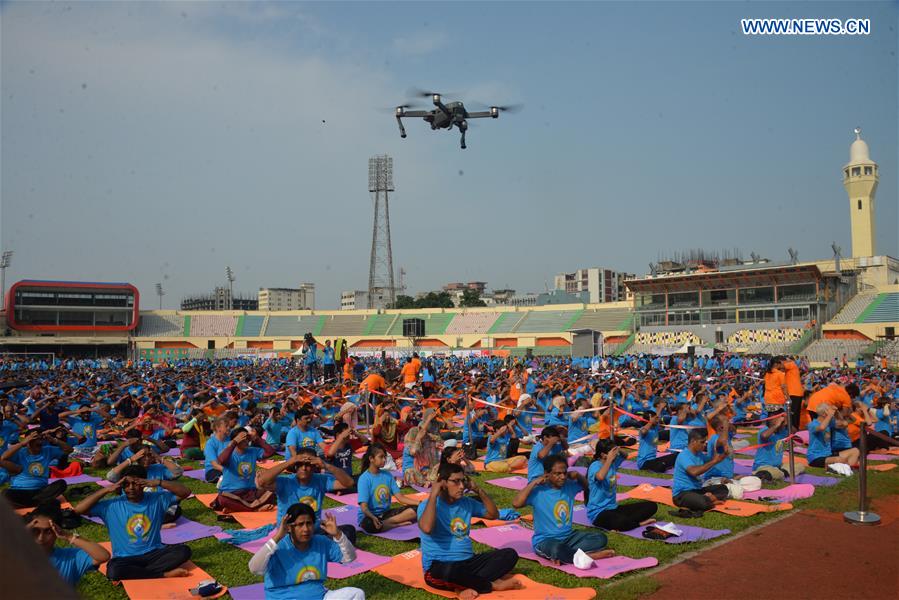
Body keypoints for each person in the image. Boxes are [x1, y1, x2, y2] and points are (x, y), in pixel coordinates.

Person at [418, 463, 521, 598]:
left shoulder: (466, 503)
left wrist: (478, 490)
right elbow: (427, 528)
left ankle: (463, 584)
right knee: (449, 572)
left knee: (509, 555)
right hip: (440, 565)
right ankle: (491, 585)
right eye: (456, 481)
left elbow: (493, 515)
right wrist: (433, 495)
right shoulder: (427, 505)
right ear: (442, 483)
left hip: (468, 562)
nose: (461, 486)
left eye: (463, 481)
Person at [73, 465, 192, 580]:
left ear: (144, 483)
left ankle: (138, 572)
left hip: (154, 553)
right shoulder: (110, 505)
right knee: (114, 571)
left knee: (183, 551)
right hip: (125, 558)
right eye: (126, 484)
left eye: (135, 483)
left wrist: (159, 482)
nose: (131, 488)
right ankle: (162, 574)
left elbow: (185, 492)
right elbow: (79, 509)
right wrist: (106, 490)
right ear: (121, 485)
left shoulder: (157, 499)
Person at [248, 502, 363, 600]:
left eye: (309, 523)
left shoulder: (321, 542)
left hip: (319, 596)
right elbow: (254, 568)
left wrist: (338, 534)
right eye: (300, 524)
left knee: (356, 594)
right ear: (289, 527)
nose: (306, 529)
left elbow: (349, 558)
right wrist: (277, 537)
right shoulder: (278, 546)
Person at [513, 454, 613, 566]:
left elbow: (587, 486)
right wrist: (533, 482)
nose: (563, 477)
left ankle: (567, 554)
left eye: (564, 473)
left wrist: (578, 476)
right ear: (547, 473)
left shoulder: (568, 486)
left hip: (569, 537)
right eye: (557, 474)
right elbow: (516, 503)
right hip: (546, 541)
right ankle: (587, 556)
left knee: (600, 538)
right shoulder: (538, 491)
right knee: (556, 549)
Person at [257, 447, 357, 544]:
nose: (304, 468)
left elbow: (349, 483)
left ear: (314, 467)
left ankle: (314, 544)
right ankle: (315, 544)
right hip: (291, 532)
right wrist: (289, 462)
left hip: (314, 530)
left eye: (308, 464)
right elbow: (262, 481)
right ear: (295, 466)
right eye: (300, 464)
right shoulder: (286, 481)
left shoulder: (321, 480)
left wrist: (326, 465)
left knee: (349, 531)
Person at [24, 500, 110, 587]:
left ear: (57, 532)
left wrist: (68, 536)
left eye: (48, 532)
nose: (41, 538)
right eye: (35, 531)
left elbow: (103, 556)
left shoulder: (70, 557)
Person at [587, 439, 657, 531]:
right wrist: (609, 460)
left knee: (651, 506)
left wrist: (617, 449)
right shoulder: (595, 466)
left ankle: (624, 523)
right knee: (620, 521)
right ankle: (638, 523)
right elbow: (600, 477)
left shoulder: (612, 464)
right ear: (603, 455)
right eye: (613, 453)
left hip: (614, 508)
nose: (615, 455)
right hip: (598, 513)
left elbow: (625, 455)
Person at [1, 428, 72, 508]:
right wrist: (22, 443)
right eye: (35, 439)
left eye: (40, 439)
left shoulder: (48, 450)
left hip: (40, 490)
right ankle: (38, 502)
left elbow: (69, 450)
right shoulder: (20, 451)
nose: (39, 442)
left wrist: (54, 440)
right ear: (28, 441)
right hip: (19, 490)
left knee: (61, 484)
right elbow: (3, 458)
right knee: (6, 493)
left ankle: (30, 503)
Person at [357, 444, 420, 533]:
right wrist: (373, 517)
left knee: (417, 509)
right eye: (381, 457)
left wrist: (420, 503)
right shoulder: (364, 479)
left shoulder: (387, 475)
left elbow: (400, 497)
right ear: (371, 459)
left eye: (385, 457)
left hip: (385, 514)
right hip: (368, 517)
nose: (384, 460)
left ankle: (386, 523)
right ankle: (394, 524)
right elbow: (364, 508)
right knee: (369, 524)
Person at [214, 427, 276, 512]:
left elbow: (270, 452)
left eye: (247, 439)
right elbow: (221, 461)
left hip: (250, 492)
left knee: (273, 488)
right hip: (231, 493)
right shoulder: (228, 452)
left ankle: (237, 508)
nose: (246, 441)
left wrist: (257, 439)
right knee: (222, 499)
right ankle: (254, 508)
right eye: (242, 439)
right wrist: (234, 442)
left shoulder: (253, 451)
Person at [671, 429, 729, 515]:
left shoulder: (699, 454)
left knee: (723, 488)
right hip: (682, 494)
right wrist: (714, 461)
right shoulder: (684, 455)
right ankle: (709, 500)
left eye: (705, 442)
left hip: (697, 490)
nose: (704, 444)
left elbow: (711, 461)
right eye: (702, 442)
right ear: (693, 441)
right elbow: (694, 472)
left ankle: (708, 499)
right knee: (702, 502)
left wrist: (721, 455)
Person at [807, 404, 859, 475]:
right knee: (840, 460)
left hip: (828, 454)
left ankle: (847, 469)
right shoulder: (812, 424)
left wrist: (837, 412)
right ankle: (844, 469)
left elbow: (844, 424)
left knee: (855, 451)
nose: (832, 414)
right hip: (816, 457)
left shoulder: (829, 423)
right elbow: (822, 428)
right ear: (824, 413)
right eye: (829, 412)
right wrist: (830, 415)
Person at [202, 417, 231, 483]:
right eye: (226, 426)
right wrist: (228, 472)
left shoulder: (230, 440)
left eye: (229, 426)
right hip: (213, 470)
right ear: (218, 428)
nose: (229, 428)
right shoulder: (211, 443)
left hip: (227, 468)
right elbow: (215, 465)